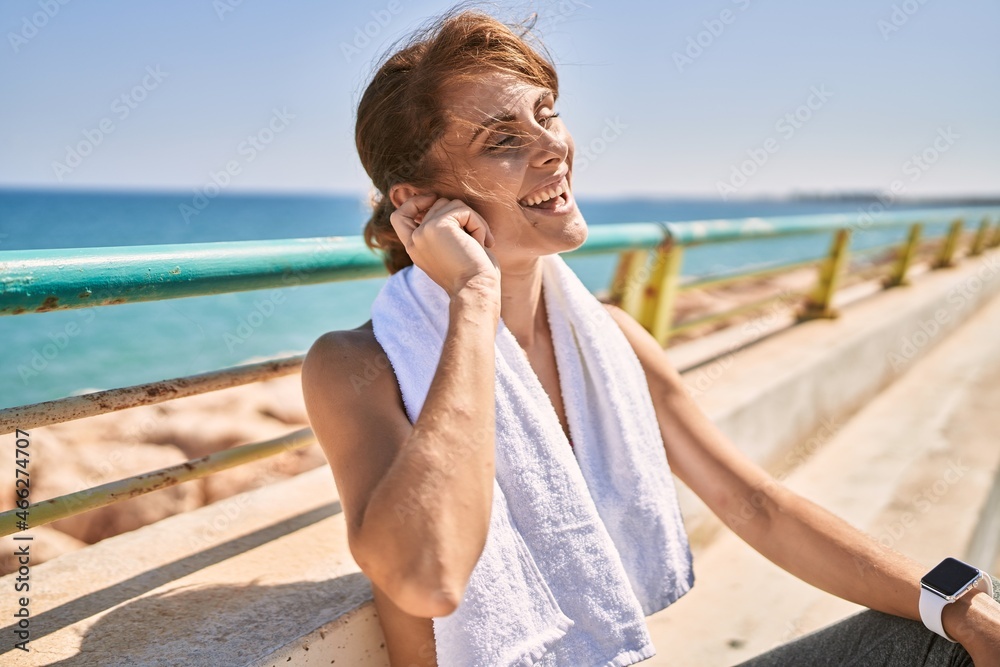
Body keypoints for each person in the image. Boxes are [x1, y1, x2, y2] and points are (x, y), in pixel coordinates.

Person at [300, 7, 1000, 666]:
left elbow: (755, 505)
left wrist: (959, 599)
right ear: (419, 203)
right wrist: (473, 298)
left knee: (967, 620)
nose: (553, 147)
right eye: (503, 139)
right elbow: (428, 577)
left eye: (547, 114)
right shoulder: (358, 366)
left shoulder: (609, 340)